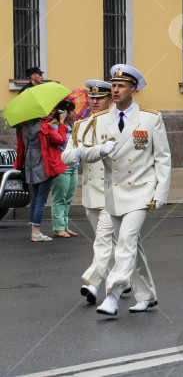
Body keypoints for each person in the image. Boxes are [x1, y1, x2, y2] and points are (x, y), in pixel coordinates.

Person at [83, 64, 171, 316]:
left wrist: (161, 192)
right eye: (114, 86)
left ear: (133, 91)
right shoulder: (101, 120)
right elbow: (85, 152)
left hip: (141, 191)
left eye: (121, 86)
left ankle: (112, 293)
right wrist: (99, 150)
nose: (115, 90)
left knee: (126, 242)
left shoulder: (150, 118)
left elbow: (162, 157)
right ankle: (147, 295)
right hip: (113, 193)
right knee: (133, 246)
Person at [61, 79, 123, 305]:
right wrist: (77, 152)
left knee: (103, 241)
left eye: (100, 98)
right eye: (92, 98)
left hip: (112, 191)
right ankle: (122, 279)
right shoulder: (81, 126)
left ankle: (93, 284)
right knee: (108, 242)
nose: (94, 102)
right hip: (91, 193)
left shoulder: (117, 123)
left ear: (110, 100)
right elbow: (65, 158)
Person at [14, 106, 68, 242]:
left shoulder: (24, 128)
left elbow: (21, 147)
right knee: (41, 200)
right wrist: (61, 122)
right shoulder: (44, 127)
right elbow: (61, 140)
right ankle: (36, 232)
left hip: (30, 166)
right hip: (45, 166)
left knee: (34, 199)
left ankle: (34, 230)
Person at [50, 100, 79, 238]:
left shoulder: (74, 127)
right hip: (61, 165)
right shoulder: (54, 127)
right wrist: (61, 122)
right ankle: (58, 227)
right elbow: (59, 141)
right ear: (65, 113)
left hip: (74, 165)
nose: (75, 113)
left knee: (68, 198)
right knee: (59, 197)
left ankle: (65, 226)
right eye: (72, 111)